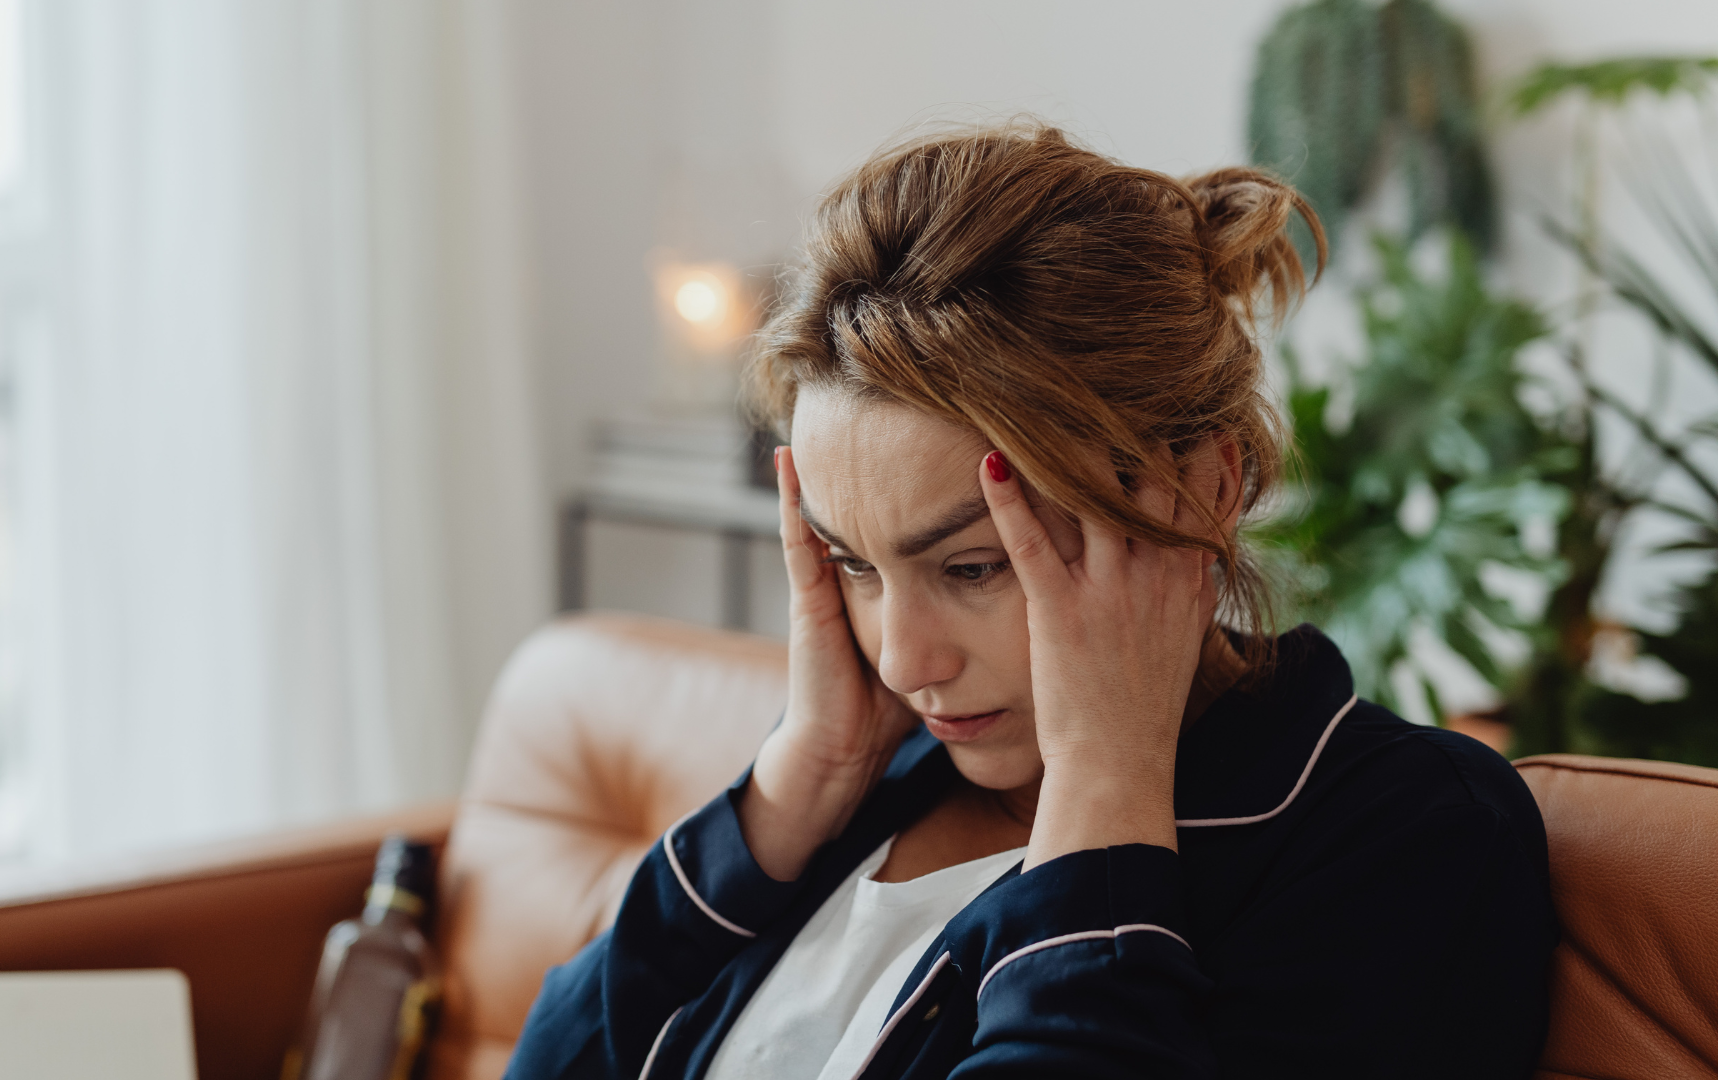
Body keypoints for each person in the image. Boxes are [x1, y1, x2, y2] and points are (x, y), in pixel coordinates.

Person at [506, 123, 1554, 1080]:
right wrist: (796, 785)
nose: (905, 661)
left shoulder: (1399, 834)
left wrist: (1108, 785)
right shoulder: (873, 782)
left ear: (1206, 489)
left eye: (971, 568)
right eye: (856, 565)